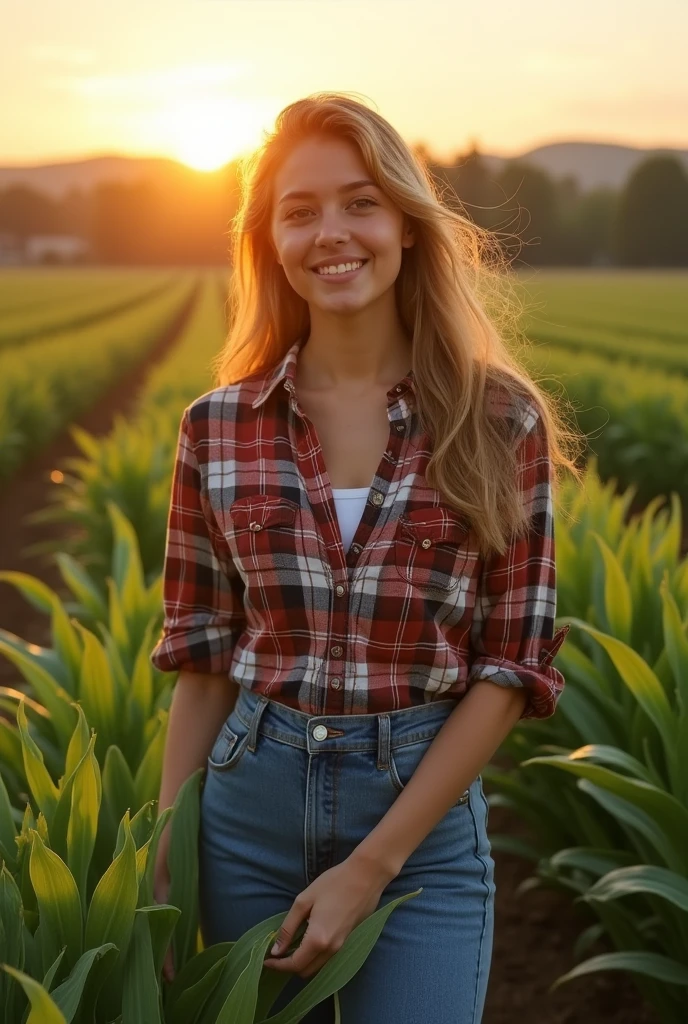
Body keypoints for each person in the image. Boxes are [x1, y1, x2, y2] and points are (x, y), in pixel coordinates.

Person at [151, 92, 582, 1024]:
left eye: (360, 202)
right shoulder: (216, 429)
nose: (331, 234)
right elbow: (200, 657)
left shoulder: (500, 420)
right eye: (298, 211)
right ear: (267, 240)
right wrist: (163, 860)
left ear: (405, 226)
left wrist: (372, 865)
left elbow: (510, 668)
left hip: (418, 837)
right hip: (243, 817)